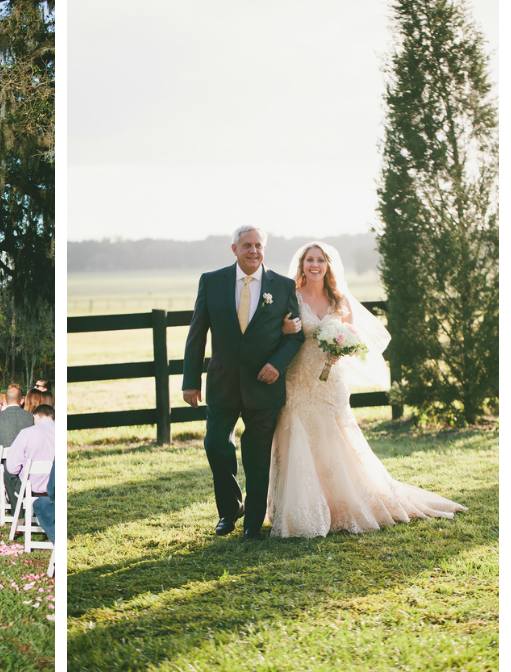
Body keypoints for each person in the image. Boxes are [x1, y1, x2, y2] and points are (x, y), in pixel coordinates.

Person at [266, 241, 467, 537]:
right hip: (298, 379)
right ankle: (302, 508)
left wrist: (341, 350)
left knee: (334, 438)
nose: (315, 265)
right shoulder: (291, 297)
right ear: (302, 264)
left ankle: (341, 505)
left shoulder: (339, 300)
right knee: (297, 434)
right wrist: (284, 331)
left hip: (331, 381)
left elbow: (353, 336)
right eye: (310, 259)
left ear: (328, 265)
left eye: (320, 260)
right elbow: (277, 331)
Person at [181, 225, 305, 541]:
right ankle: (229, 509)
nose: (253, 251)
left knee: (257, 454)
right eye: (247, 245)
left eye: (258, 245)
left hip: (264, 385)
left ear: (264, 249)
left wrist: (276, 365)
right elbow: (197, 334)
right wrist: (190, 380)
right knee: (215, 444)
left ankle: (252, 523)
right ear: (234, 249)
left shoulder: (283, 285)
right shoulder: (211, 282)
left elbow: (297, 335)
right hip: (222, 383)